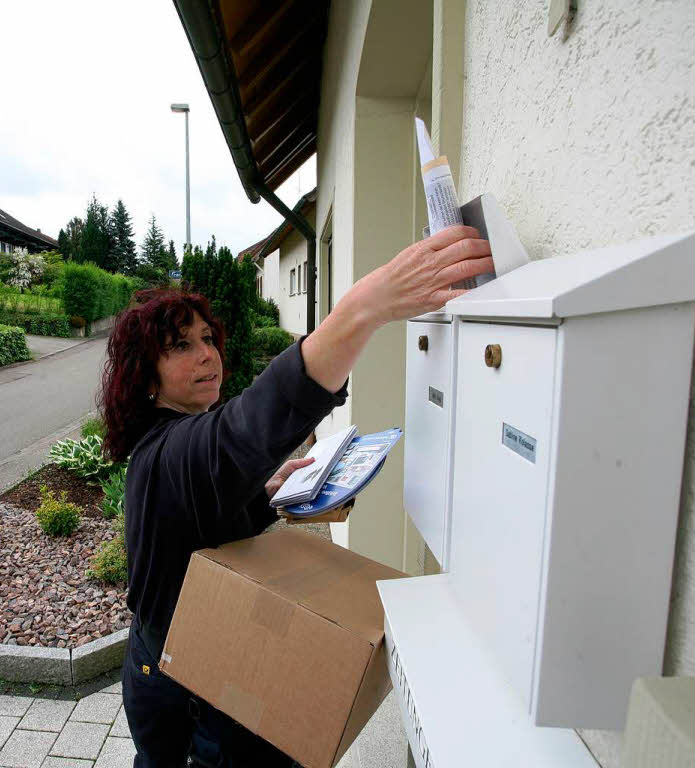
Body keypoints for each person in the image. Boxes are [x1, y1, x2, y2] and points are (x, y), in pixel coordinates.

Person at [99, 226, 493, 767]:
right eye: (180, 347)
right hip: (174, 682)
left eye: (208, 339)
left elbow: (200, 526)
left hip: (198, 655)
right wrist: (363, 308)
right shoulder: (166, 453)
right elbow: (243, 432)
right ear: (147, 376)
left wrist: (265, 496)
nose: (206, 356)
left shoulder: (183, 439)